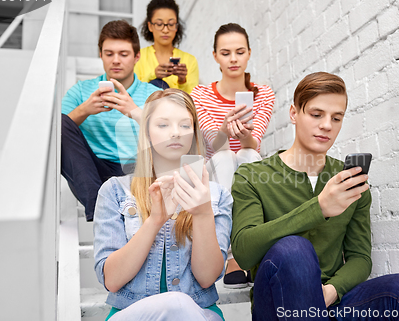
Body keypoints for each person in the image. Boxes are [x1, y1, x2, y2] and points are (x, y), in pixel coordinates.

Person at [231, 72, 399, 320]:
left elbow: (360, 257)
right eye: (316, 114)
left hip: (333, 302)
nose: (327, 126)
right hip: (277, 303)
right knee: (293, 248)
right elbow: (244, 252)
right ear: (293, 114)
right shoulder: (253, 175)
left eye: (336, 118)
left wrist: (332, 291)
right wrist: (318, 208)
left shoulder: (350, 181)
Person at [93, 89, 232, 321]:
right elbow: (112, 280)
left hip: (199, 312)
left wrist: (202, 213)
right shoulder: (114, 191)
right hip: (132, 312)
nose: (175, 133)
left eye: (185, 125)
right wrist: (155, 221)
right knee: (173, 302)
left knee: (178, 304)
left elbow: (207, 277)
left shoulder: (217, 195)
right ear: (146, 132)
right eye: (163, 125)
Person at [191, 23, 275, 289]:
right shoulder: (200, 94)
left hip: (248, 163)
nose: (233, 59)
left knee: (248, 154)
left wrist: (244, 133)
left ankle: (249, 249)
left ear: (249, 53)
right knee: (226, 157)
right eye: (226, 53)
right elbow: (212, 145)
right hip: (216, 163)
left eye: (239, 52)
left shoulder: (263, 94)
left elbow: (254, 142)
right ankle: (233, 257)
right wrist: (225, 131)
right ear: (215, 56)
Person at [61, 20, 160, 221]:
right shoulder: (81, 91)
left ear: (136, 56)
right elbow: (54, 133)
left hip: (138, 170)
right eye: (109, 54)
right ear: (100, 55)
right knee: (60, 123)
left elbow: (174, 136)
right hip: (93, 173)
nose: (116, 60)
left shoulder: (153, 93)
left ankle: (107, 211)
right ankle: (99, 208)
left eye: (123, 54)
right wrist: (84, 110)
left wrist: (134, 111)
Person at [134, 0, 199, 93]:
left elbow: (194, 100)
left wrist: (182, 81)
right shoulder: (138, 57)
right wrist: (153, 75)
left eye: (171, 24)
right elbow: (132, 92)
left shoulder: (190, 60)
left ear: (177, 27)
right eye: (159, 24)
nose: (165, 30)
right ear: (150, 26)